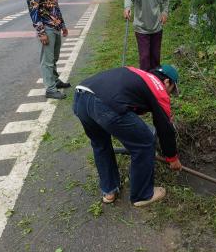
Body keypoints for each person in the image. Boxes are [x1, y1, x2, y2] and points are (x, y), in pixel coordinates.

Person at [72, 64, 182, 206]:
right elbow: (165, 128)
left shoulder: (139, 74)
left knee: (100, 144)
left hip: (81, 97)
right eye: (172, 90)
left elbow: (130, 102)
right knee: (145, 142)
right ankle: (142, 195)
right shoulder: (159, 88)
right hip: (103, 104)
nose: (169, 95)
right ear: (167, 82)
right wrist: (172, 158)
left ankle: (109, 190)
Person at [26, 0, 70, 99]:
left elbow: (55, 8)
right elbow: (34, 12)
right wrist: (41, 32)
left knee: (54, 57)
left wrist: (62, 25)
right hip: (46, 28)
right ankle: (50, 89)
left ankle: (55, 81)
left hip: (55, 26)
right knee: (47, 60)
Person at [124, 0, 169, 71]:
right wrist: (127, 7)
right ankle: (145, 84)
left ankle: (155, 82)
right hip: (142, 28)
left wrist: (164, 12)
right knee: (144, 59)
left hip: (157, 28)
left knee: (155, 58)